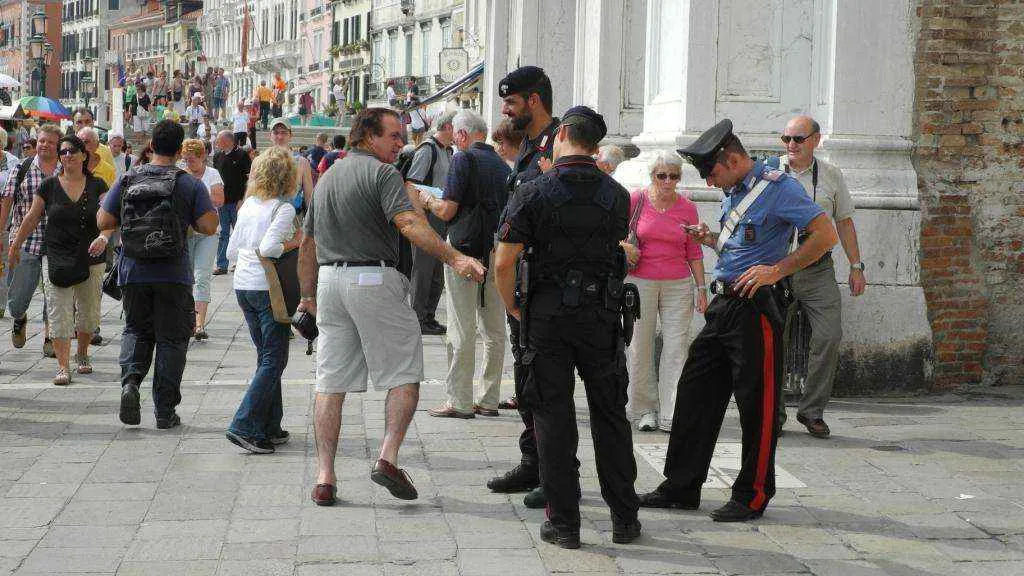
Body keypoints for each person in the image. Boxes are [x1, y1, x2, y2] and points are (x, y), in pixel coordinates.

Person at [638, 119, 838, 522]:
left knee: (757, 406)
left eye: (712, 173)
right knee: (695, 394)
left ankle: (753, 494)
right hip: (724, 306)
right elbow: (748, 241)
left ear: (730, 159)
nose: (710, 183)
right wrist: (710, 240)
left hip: (755, 306)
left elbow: (825, 234)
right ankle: (681, 485)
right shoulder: (737, 189)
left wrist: (779, 270)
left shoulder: (778, 188)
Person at [296, 107, 485, 507]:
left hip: (330, 281)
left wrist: (307, 296)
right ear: (368, 136)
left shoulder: (328, 175)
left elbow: (307, 243)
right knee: (404, 372)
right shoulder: (384, 174)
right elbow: (410, 225)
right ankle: (388, 457)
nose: (401, 143)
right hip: (373, 278)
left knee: (330, 382)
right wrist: (456, 258)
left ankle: (325, 476)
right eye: (394, 135)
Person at [493, 105, 641, 548]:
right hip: (602, 316)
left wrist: (513, 307)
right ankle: (624, 519)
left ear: (560, 137)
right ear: (594, 146)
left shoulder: (534, 191)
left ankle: (565, 523)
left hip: (548, 317)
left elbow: (504, 260)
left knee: (553, 418)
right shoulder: (617, 194)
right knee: (611, 416)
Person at [98, 119, 219, 429]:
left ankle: (131, 383)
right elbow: (209, 226)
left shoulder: (127, 179)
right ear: (179, 150)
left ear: (150, 145)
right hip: (173, 273)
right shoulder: (188, 183)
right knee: (172, 339)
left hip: (134, 270)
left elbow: (103, 219)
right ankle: (165, 410)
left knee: (136, 330)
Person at [486, 66, 561, 509]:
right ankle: (532, 460)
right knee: (525, 380)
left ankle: (551, 472)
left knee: (543, 384)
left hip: (544, 285)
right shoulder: (531, 147)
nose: (505, 110)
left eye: (511, 102)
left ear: (533, 100)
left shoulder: (559, 144)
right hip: (522, 284)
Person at [771, 115, 865, 439]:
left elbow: (845, 222)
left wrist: (856, 266)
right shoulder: (769, 172)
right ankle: (773, 413)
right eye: (786, 139)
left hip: (818, 268)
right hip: (777, 269)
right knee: (773, 341)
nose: (791, 145)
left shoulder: (831, 175)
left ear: (815, 140)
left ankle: (812, 411)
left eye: (798, 139)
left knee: (829, 335)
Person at [420, 110, 510, 419]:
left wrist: (428, 200)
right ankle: (489, 398)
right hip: (495, 250)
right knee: (495, 329)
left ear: (461, 135)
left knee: (461, 325)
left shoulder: (462, 159)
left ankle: (459, 399)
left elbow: (447, 210)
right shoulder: (501, 164)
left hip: (464, 250)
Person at [7, 135, 109, 385]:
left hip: (91, 255)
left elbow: (109, 217)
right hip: (56, 254)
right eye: (63, 152)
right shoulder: (49, 186)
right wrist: (16, 244)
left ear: (84, 155)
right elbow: (31, 217)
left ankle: (82, 354)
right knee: (58, 312)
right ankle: (63, 365)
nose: (67, 155)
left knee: (88, 313)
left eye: (73, 151)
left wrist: (105, 237)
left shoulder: (98, 185)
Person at [621, 150, 707, 433]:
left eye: (674, 176)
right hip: (640, 280)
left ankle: (671, 412)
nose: (668, 181)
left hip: (678, 283)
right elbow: (617, 236)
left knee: (676, 347)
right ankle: (644, 409)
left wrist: (701, 288)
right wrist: (625, 247)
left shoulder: (687, 207)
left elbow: (694, 250)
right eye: (662, 176)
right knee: (639, 346)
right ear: (652, 176)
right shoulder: (636, 200)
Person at [224, 146, 299, 453]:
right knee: (274, 358)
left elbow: (231, 250)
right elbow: (269, 248)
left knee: (266, 356)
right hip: (268, 288)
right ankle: (244, 424)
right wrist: (292, 243)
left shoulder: (248, 206)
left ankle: (270, 424)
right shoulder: (283, 209)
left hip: (243, 284)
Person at [1, 124, 62, 356]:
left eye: (50, 142)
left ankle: (49, 336)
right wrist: (2, 235)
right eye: (41, 141)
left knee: (53, 292)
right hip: (25, 241)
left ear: (58, 146)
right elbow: (6, 200)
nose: (44, 145)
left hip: (56, 243)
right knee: (16, 299)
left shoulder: (63, 170)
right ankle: (20, 318)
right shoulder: (22, 168)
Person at [406, 110, 455, 335]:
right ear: (447, 128)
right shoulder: (428, 150)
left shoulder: (448, 151)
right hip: (427, 216)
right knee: (423, 270)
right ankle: (417, 317)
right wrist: (420, 218)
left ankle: (429, 316)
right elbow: (412, 184)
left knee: (437, 271)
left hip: (442, 215)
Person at [180, 139, 224, 340]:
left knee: (202, 275)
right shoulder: (180, 172)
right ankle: (184, 319)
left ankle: (199, 323)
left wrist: (197, 191)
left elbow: (219, 200)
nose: (189, 164)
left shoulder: (212, 174)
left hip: (208, 232)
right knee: (185, 276)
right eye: (186, 160)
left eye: (193, 160)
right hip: (186, 231)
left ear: (202, 157)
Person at [213, 130, 252, 276]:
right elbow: (215, 179)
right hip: (222, 202)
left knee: (239, 232)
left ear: (228, 141)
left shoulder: (242, 156)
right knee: (223, 233)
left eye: (219, 140)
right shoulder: (218, 156)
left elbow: (249, 179)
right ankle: (222, 265)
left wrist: (243, 199)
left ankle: (240, 262)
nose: (217, 143)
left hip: (238, 202)